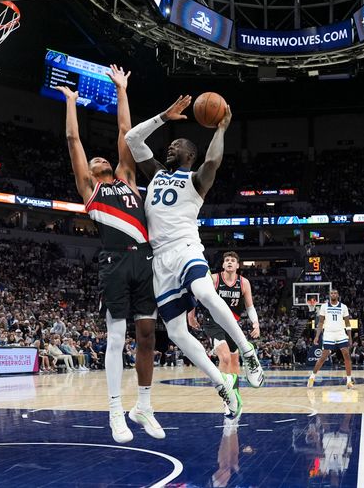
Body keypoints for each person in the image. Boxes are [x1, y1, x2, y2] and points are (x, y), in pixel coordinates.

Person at [125, 95, 264, 418]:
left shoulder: (197, 180)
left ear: (190, 155)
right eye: (170, 145)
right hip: (160, 260)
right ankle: (222, 387)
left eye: (177, 146)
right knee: (174, 332)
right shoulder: (156, 173)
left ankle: (248, 351)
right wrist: (164, 115)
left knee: (204, 291)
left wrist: (222, 129)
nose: (170, 148)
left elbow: (213, 162)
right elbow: (133, 138)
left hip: (187, 248)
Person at [55, 64, 164, 444]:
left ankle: (144, 406)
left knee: (148, 335)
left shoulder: (128, 178)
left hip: (145, 259)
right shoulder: (89, 189)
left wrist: (121, 89)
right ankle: (115, 410)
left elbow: (125, 132)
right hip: (114, 261)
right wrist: (71, 102)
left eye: (104, 159)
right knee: (117, 338)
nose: (100, 159)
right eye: (96, 159)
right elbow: (73, 141)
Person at [188, 251, 260, 396]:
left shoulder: (244, 282)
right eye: (226, 260)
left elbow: (250, 306)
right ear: (222, 264)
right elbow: (195, 293)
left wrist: (256, 323)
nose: (229, 262)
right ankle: (225, 395)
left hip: (232, 324)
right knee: (225, 357)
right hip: (213, 321)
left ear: (237, 265)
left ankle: (234, 394)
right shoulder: (214, 279)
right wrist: (191, 314)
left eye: (232, 260)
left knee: (234, 361)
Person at [308, 289, 354, 389]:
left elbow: (347, 323)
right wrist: (317, 336)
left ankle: (349, 381)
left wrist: (349, 337)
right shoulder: (324, 306)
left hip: (341, 333)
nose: (333, 294)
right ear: (329, 295)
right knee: (323, 357)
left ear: (338, 295)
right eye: (331, 293)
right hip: (328, 333)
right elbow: (320, 323)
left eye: (335, 293)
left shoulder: (343, 307)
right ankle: (312, 377)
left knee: (346, 355)